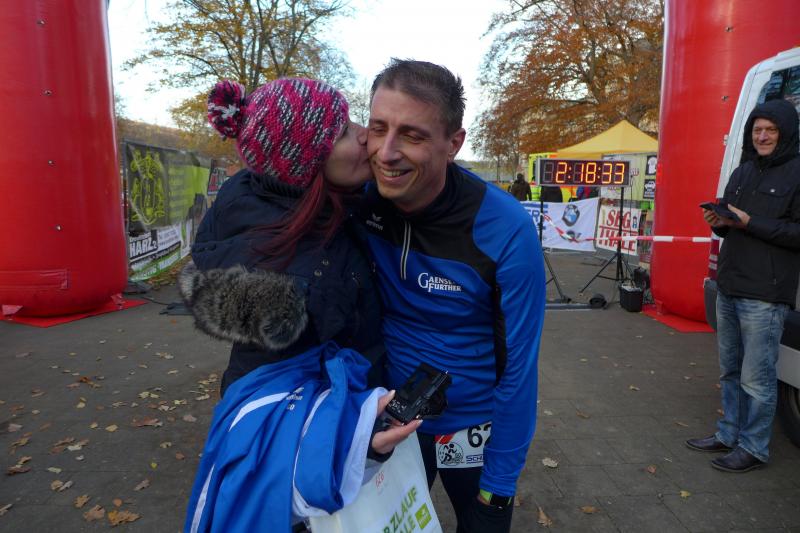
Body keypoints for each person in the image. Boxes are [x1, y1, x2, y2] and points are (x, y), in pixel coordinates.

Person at [179, 78, 418, 532]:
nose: (364, 136)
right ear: (303, 164)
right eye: (343, 132)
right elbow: (296, 407)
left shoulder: (273, 201)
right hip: (310, 463)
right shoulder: (304, 277)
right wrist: (360, 439)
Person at [361, 59, 546, 532]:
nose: (386, 152)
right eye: (377, 128)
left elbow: (519, 371)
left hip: (473, 426)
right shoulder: (359, 199)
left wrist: (498, 490)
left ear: (454, 143)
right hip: (387, 418)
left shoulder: (505, 228)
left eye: (412, 135)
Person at [687, 98, 800, 472]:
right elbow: (731, 224)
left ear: (785, 133)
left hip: (765, 293)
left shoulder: (797, 172)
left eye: (771, 130)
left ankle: (754, 447)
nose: (762, 136)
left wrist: (750, 222)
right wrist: (718, 222)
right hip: (730, 285)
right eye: (757, 130)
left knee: (758, 377)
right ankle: (728, 433)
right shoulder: (742, 171)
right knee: (730, 370)